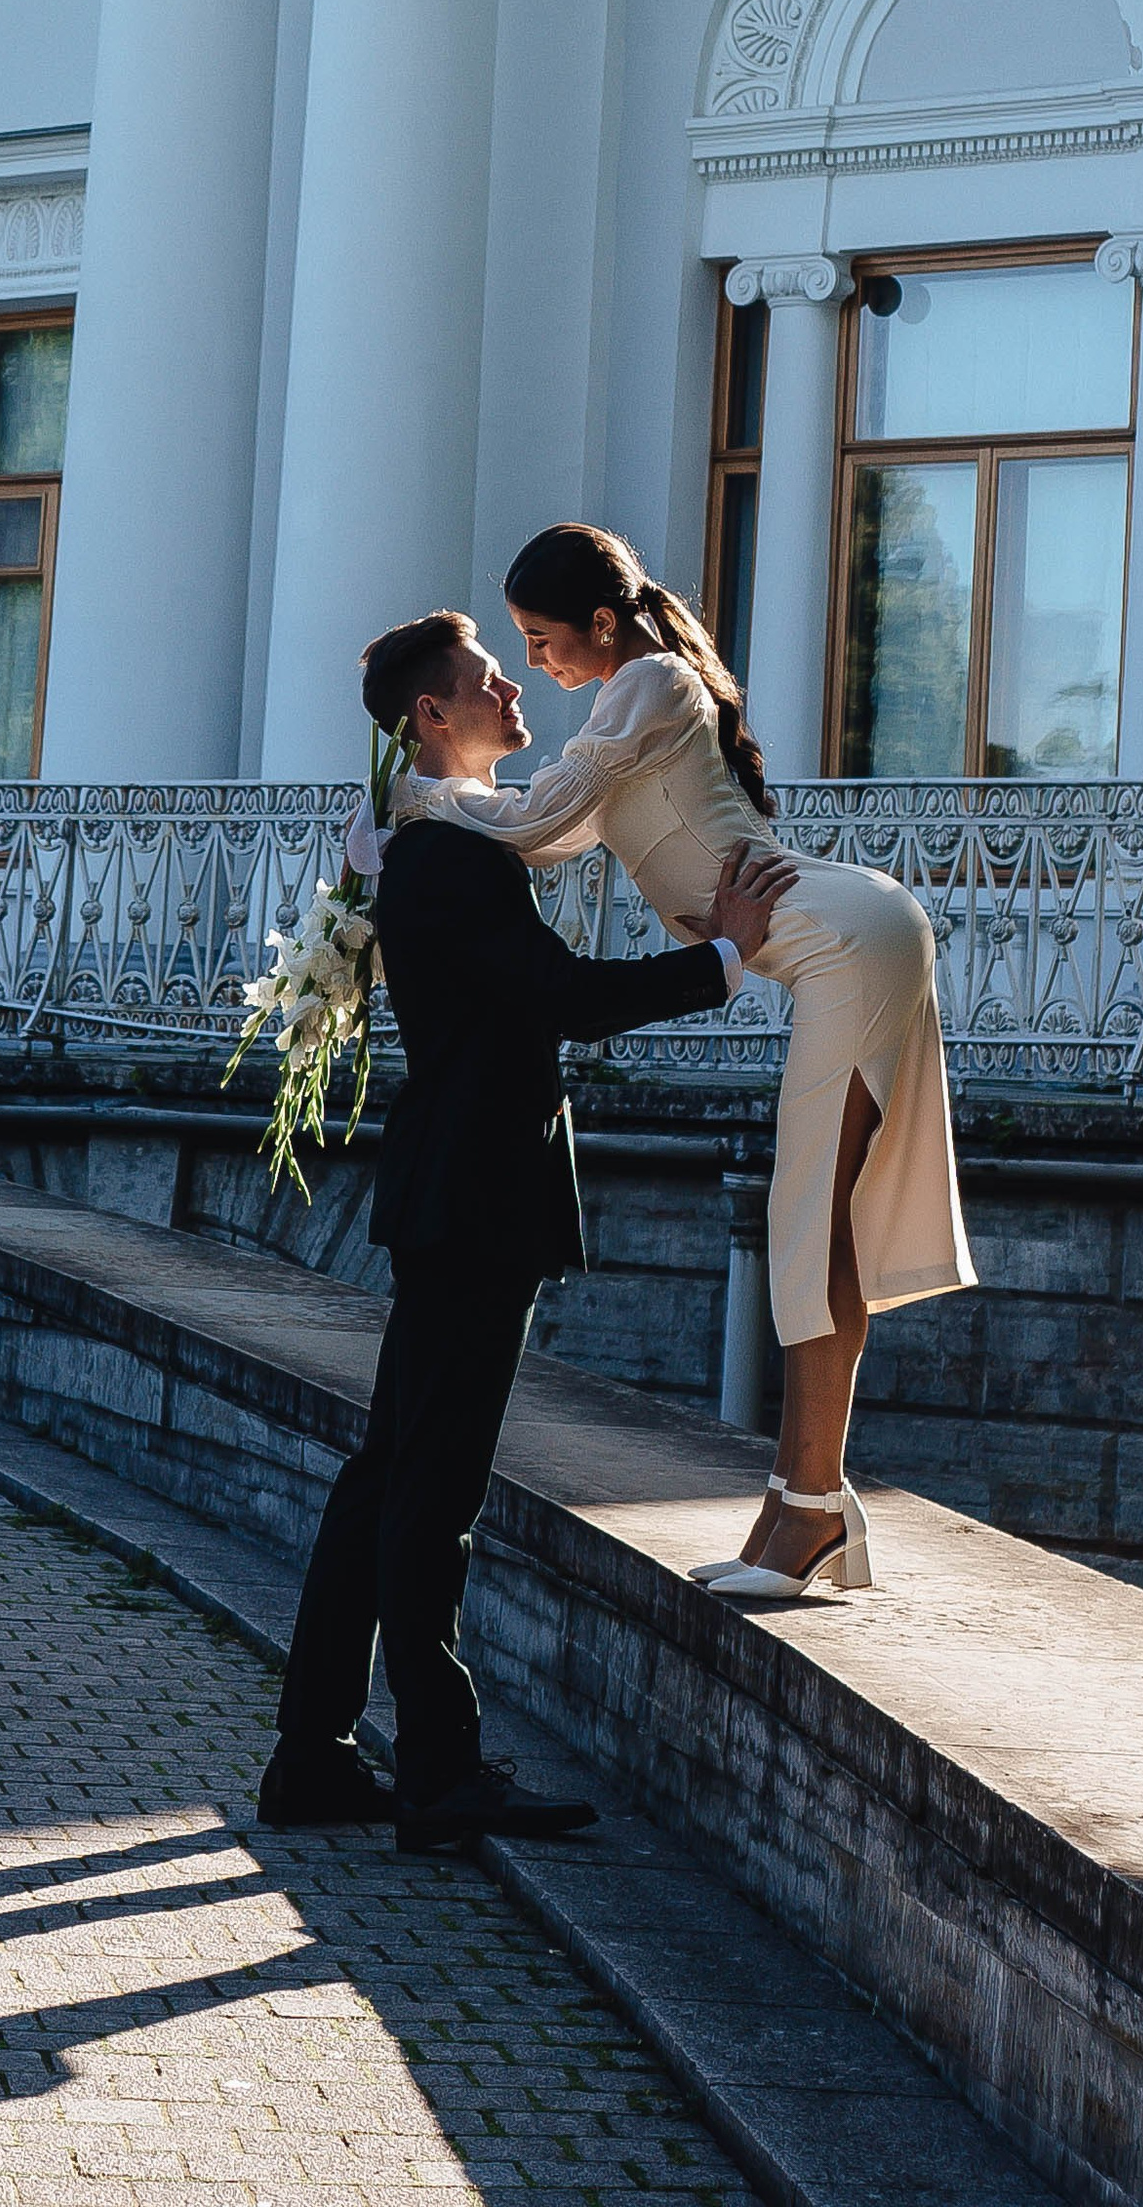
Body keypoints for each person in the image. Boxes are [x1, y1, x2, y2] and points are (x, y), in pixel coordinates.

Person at [259, 607, 792, 1854]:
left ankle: (315, 1754)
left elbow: (532, 984)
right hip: (474, 1195)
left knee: (385, 1476)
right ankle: (438, 1772)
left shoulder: (427, 844)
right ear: (431, 718)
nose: (515, 689)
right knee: (428, 1491)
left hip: (455, 1190)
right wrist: (722, 957)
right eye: (487, 678)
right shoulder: (444, 854)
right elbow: (557, 999)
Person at [395, 522, 975, 1603]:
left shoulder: (649, 681)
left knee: (809, 1224)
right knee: (822, 1225)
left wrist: (404, 800)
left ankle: (807, 1512)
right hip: (846, 937)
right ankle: (811, 1510)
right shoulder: (633, 705)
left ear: (602, 625)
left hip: (845, 942)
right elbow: (554, 830)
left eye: (541, 637)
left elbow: (529, 825)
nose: (535, 666)